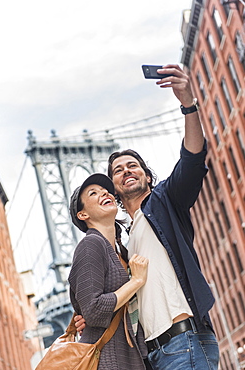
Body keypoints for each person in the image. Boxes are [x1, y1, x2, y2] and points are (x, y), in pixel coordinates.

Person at [75, 64, 220, 369]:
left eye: (133, 165)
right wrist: (85, 316)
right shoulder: (124, 245)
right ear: (113, 190)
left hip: (185, 343)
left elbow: (193, 159)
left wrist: (188, 105)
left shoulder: (166, 201)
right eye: (118, 170)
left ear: (148, 177)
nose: (126, 170)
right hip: (151, 356)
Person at [68, 173, 149, 369]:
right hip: (108, 360)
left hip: (130, 359)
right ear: (83, 215)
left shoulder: (121, 252)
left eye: (105, 190)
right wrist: (136, 281)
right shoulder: (90, 245)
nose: (104, 192)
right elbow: (93, 310)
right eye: (93, 193)